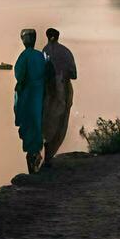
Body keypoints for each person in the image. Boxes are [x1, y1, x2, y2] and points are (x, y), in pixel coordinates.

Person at [14, 28, 48, 173]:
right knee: (37, 123)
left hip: (27, 95)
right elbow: (47, 73)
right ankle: (37, 155)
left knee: (27, 124)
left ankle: (33, 160)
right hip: (39, 94)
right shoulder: (41, 56)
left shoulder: (23, 57)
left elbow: (19, 76)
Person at [42, 27, 77, 166]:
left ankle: (46, 157)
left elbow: (44, 73)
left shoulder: (45, 51)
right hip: (61, 90)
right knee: (60, 124)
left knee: (48, 123)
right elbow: (74, 74)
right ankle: (49, 157)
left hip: (51, 92)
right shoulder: (66, 52)